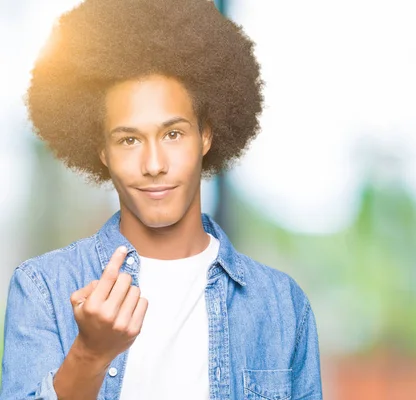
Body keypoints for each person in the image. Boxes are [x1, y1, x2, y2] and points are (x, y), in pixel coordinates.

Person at [0, 0, 323, 399]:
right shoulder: (43, 289)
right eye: (129, 139)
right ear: (102, 151)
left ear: (206, 135)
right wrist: (89, 354)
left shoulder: (281, 305)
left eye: (173, 134)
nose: (154, 164)